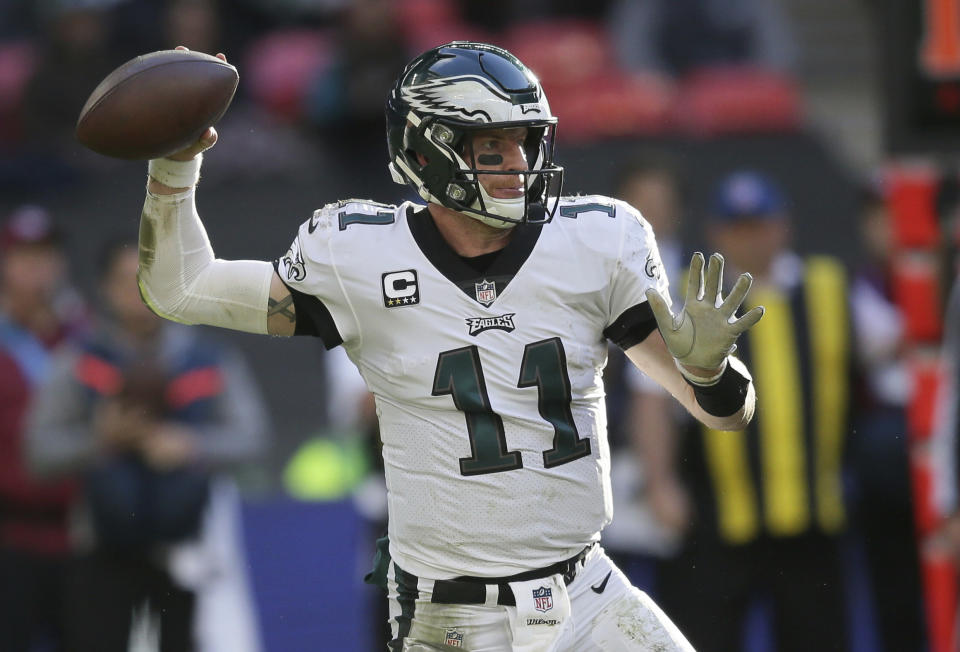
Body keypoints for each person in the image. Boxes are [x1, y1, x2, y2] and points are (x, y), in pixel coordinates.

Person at [135, 42, 764, 650]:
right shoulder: (358, 257)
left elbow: (725, 413)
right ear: (429, 149)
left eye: (525, 141)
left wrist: (710, 371)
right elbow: (180, 289)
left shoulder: (600, 241)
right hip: (455, 619)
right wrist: (173, 166)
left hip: (587, 592)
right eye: (494, 145)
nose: (519, 163)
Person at [26, 238, 268, 652]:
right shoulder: (79, 360)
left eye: (148, 278)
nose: (137, 291)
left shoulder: (207, 356)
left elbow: (253, 437)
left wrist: (190, 444)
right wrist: (100, 439)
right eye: (125, 280)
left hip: (188, 551)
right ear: (103, 287)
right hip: (102, 551)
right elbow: (38, 450)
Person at [655, 170, 854, 652]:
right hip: (714, 514)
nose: (750, 238)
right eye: (737, 227)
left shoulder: (828, 287)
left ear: (783, 226)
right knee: (704, 639)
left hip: (811, 515)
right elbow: (651, 398)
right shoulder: (684, 294)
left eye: (760, 224)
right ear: (715, 233)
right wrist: (662, 482)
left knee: (816, 637)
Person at [0, 205, 87, 652]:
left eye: (47, 256)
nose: (38, 270)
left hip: (81, 538)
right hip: (9, 539)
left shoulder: (85, 338)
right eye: (25, 258)